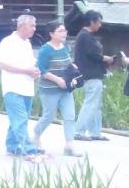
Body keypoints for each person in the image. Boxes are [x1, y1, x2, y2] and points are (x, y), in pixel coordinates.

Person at [31, 21, 82, 157]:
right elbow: (41, 69)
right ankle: (35, 135)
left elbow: (67, 62)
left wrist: (73, 67)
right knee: (49, 116)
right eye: (60, 31)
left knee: (70, 116)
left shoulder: (63, 47)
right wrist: (57, 80)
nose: (64, 33)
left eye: (64, 31)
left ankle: (69, 145)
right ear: (51, 34)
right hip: (50, 89)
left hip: (65, 89)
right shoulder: (45, 50)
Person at [0, 14, 43, 157]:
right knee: (20, 119)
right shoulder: (8, 41)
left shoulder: (27, 44)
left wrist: (35, 71)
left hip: (27, 87)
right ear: (22, 26)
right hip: (13, 87)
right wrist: (26, 71)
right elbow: (3, 64)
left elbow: (30, 64)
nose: (34, 29)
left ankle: (11, 146)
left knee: (17, 119)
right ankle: (28, 148)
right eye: (32, 26)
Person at [72, 10, 114, 142]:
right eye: (98, 22)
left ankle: (95, 132)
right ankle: (78, 131)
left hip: (92, 74)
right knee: (90, 103)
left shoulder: (84, 36)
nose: (100, 25)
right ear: (92, 22)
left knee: (96, 105)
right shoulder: (86, 36)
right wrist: (105, 58)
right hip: (91, 74)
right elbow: (93, 54)